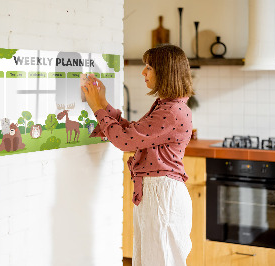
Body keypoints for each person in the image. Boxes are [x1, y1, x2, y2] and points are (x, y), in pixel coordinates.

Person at [82, 44, 194, 266]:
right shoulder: (167, 106)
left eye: (149, 67)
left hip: (162, 195)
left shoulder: (171, 111)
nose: (143, 72)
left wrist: (97, 108)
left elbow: (125, 141)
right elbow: (133, 133)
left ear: (165, 72)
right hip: (157, 193)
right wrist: (103, 103)